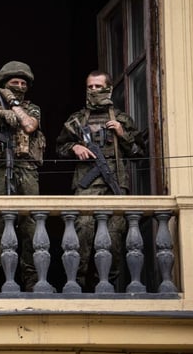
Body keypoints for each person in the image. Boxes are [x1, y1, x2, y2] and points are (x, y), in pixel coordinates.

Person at [56, 70, 145, 291]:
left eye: (98, 86)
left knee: (113, 241)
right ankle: (77, 286)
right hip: (86, 188)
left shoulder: (121, 119)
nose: (94, 90)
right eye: (90, 87)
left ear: (109, 88)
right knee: (81, 235)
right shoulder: (77, 120)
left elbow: (139, 153)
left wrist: (122, 134)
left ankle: (106, 287)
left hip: (114, 188)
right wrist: (75, 147)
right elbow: (59, 148)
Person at [0, 61, 46, 292]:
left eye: (24, 83)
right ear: (3, 84)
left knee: (30, 227)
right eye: (15, 82)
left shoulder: (32, 109)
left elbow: (30, 126)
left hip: (26, 173)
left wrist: (14, 105)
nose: (20, 86)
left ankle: (33, 279)